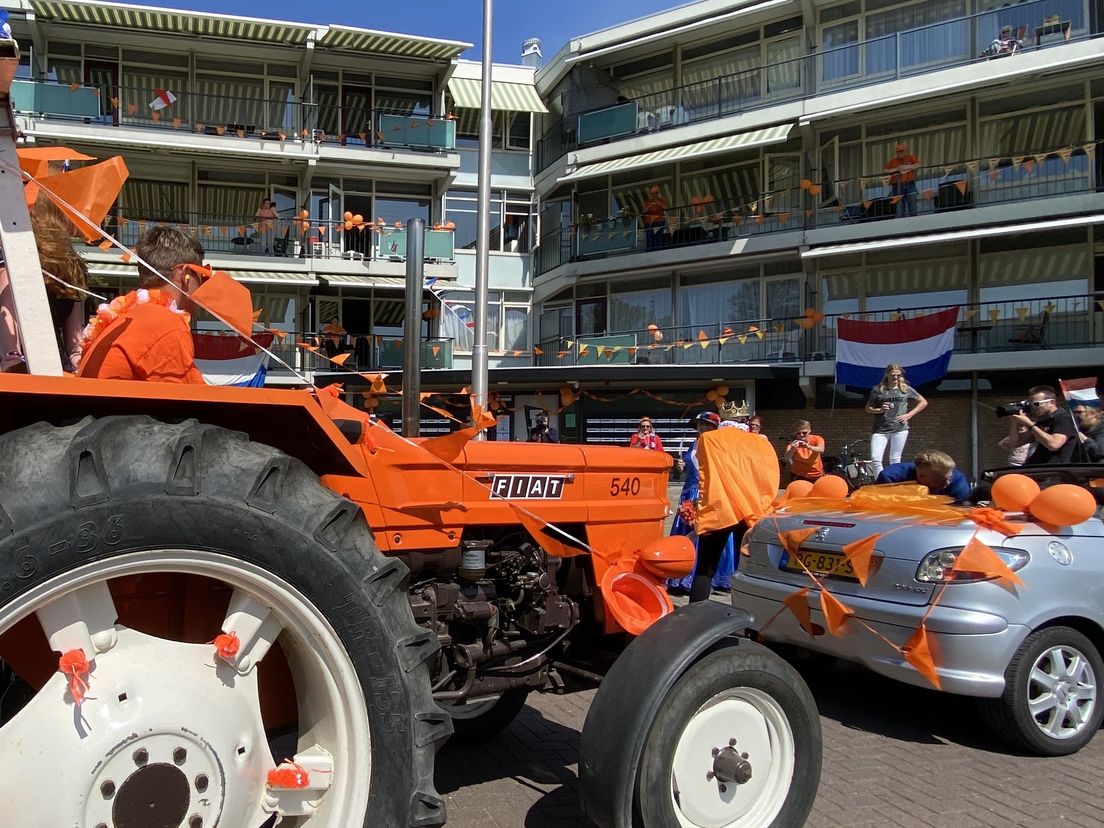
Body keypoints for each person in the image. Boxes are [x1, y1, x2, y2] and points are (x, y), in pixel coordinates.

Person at [77, 227, 206, 384]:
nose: (203, 285)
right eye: (202, 276)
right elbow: (195, 403)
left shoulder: (125, 318)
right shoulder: (165, 326)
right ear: (185, 275)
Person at [0, 197, 89, 373]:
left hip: (19, 366)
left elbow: (6, 310)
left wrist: (12, 355)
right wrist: (83, 364)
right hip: (54, 366)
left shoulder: (12, 260)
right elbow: (74, 343)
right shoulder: (73, 267)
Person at [669, 411, 735, 596]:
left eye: (706, 424)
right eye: (700, 424)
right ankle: (681, 574)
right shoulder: (694, 443)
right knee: (685, 531)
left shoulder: (718, 446)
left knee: (705, 533)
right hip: (688, 492)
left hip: (707, 492)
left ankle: (705, 578)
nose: (702, 428)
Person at [866, 364, 927, 475]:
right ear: (887, 375)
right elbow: (868, 408)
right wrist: (880, 409)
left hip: (900, 427)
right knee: (875, 458)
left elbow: (923, 402)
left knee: (895, 458)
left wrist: (909, 415)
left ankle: (893, 481)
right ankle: (880, 482)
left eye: (898, 375)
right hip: (880, 428)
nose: (895, 377)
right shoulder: (878, 390)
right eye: (893, 375)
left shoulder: (905, 389)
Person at [1004, 385, 1079, 465]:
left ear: (1051, 403)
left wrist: (1029, 425)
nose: (1033, 407)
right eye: (1031, 404)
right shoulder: (1043, 420)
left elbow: (1054, 445)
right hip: (1036, 467)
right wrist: (1014, 421)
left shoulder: (1064, 418)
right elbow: (1016, 443)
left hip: (1054, 470)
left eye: (1036, 404)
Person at [876, 449, 971, 503]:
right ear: (921, 476)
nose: (947, 483)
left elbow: (962, 508)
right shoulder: (891, 478)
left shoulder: (957, 480)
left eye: (949, 477)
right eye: (938, 480)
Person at [884, 141, 920, 217]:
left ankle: (915, 223)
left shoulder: (911, 157)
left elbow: (918, 164)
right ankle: (901, 223)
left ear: (906, 150)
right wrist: (896, 169)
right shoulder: (892, 161)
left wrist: (907, 167)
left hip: (910, 183)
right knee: (899, 207)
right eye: (899, 151)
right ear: (896, 152)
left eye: (902, 151)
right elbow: (886, 170)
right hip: (897, 186)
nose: (901, 153)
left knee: (913, 205)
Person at [641, 185, 668, 250]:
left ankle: (658, 250)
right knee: (650, 237)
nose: (652, 195)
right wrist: (649, 207)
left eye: (654, 193)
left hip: (659, 220)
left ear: (657, 193)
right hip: (649, 222)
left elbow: (666, 208)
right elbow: (643, 211)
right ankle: (650, 250)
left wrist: (659, 204)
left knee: (658, 237)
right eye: (651, 194)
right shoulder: (648, 201)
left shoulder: (662, 200)